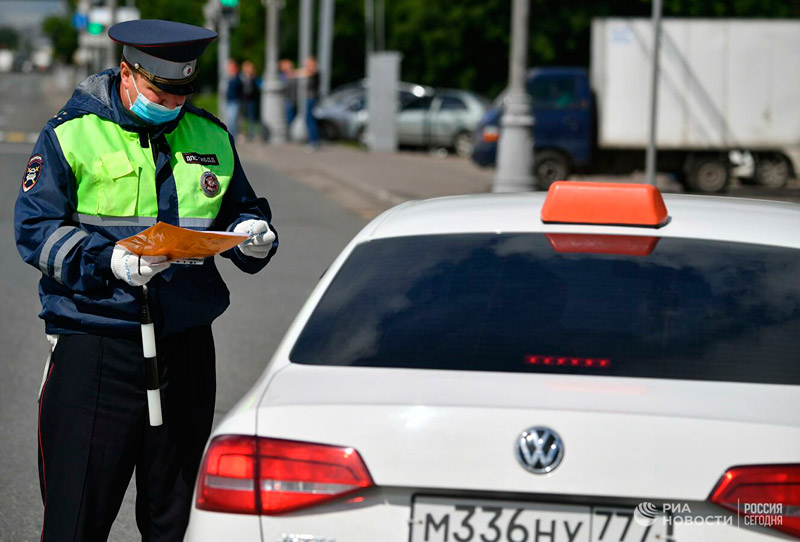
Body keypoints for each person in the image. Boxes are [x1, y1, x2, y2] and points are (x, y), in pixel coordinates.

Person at [14, 19, 278, 542]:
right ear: (127, 73)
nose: (172, 102)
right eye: (161, 90)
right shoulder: (71, 133)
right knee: (77, 518)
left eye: (183, 91)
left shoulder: (212, 135)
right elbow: (35, 229)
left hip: (185, 352)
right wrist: (107, 261)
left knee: (173, 520)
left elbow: (240, 210)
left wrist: (255, 236)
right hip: (97, 349)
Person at [295, 56, 321, 149]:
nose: (306, 65)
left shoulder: (314, 72)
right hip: (309, 98)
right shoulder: (313, 72)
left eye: (307, 64)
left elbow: (302, 73)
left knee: (310, 120)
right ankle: (312, 140)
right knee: (308, 119)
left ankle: (314, 142)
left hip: (311, 99)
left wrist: (295, 72)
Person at [240, 60, 261, 140]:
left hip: (252, 101)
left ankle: (252, 133)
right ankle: (246, 133)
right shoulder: (242, 77)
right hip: (244, 101)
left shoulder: (254, 78)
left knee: (252, 118)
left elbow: (255, 89)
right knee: (244, 118)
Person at [225, 58, 243, 137]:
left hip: (235, 101)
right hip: (230, 101)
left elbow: (239, 89)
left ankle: (233, 135)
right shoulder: (230, 78)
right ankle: (232, 134)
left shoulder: (237, 78)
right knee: (230, 120)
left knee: (232, 120)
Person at [278, 58, 296, 132]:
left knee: (291, 117)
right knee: (288, 117)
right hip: (287, 99)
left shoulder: (293, 74)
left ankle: (291, 132)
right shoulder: (282, 76)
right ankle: (289, 132)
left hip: (292, 99)